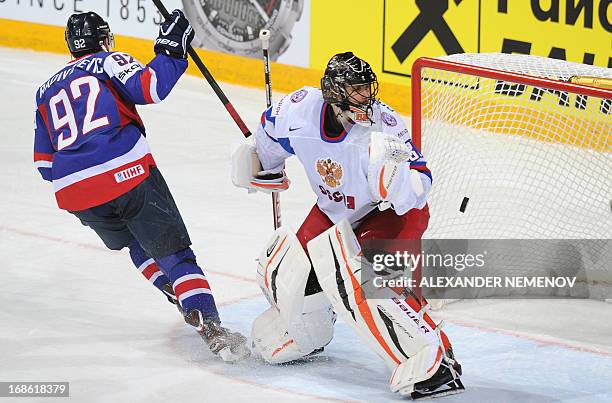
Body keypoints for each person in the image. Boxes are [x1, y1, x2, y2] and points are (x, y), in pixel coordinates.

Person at [232, 52, 464, 398]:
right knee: (289, 273)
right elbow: (268, 135)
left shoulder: (383, 126)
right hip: (334, 211)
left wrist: (399, 184)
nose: (365, 98)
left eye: (366, 89)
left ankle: (438, 361)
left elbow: (421, 178)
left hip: (388, 214)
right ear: (334, 94)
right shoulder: (299, 110)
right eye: (355, 90)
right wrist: (261, 165)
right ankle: (307, 334)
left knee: (369, 282)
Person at [33, 10, 249, 362]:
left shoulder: (45, 90)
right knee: (176, 254)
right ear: (103, 39)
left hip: (74, 191)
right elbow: (150, 86)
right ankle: (213, 330)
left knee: (135, 243)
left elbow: (44, 165)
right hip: (126, 172)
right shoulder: (107, 61)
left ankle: (179, 295)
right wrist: (171, 50)